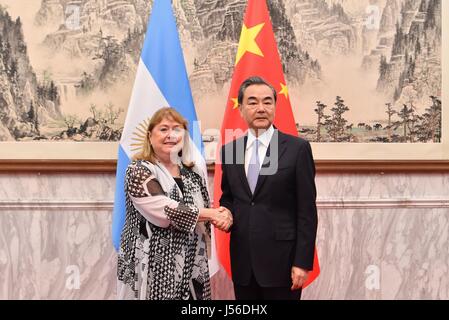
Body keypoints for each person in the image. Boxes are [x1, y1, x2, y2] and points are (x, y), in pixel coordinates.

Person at [117, 107, 232, 300]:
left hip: (191, 263)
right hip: (150, 266)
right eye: (163, 129)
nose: (171, 135)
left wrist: (225, 216)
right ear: (149, 136)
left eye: (177, 129)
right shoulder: (138, 170)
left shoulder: (193, 173)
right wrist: (213, 214)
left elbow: (205, 212)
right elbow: (164, 212)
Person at [219, 76, 318, 300]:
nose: (261, 108)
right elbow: (229, 197)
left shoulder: (296, 149)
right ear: (241, 108)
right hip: (244, 263)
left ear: (275, 106)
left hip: (283, 264)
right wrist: (225, 211)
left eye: (267, 102)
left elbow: (307, 212)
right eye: (252, 102)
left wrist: (302, 262)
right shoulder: (231, 150)